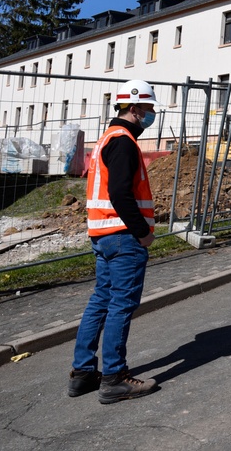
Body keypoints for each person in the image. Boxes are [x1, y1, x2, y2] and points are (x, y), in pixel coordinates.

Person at [69, 80, 160, 404]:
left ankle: (82, 374)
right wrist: (143, 233)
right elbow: (120, 194)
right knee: (121, 305)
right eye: (149, 109)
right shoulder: (123, 142)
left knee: (101, 302)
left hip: (102, 235)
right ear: (134, 108)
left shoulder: (108, 138)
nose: (152, 114)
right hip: (123, 238)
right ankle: (114, 378)